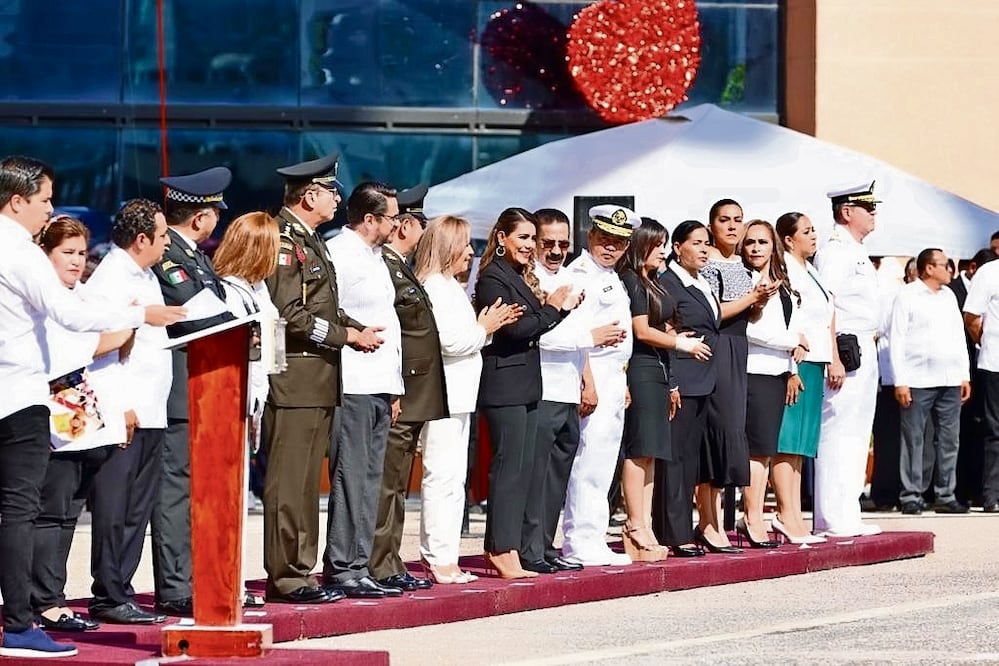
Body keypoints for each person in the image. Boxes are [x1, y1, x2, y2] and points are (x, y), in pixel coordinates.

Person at [0, 155, 178, 658]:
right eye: (44, 201)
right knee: (20, 510)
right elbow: (68, 310)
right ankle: (18, 624)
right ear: (17, 202)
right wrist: (140, 312)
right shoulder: (18, 250)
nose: (49, 210)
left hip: (13, 390)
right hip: (20, 395)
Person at [262, 154, 378, 604]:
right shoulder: (283, 241)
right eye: (331, 191)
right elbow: (291, 314)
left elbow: (323, 307)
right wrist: (345, 335)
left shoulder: (309, 240)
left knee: (306, 484)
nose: (337, 198)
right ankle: (287, 575)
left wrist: (354, 329)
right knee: (289, 484)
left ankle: (300, 571)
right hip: (295, 380)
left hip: (317, 380)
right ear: (310, 195)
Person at [83, 199, 186, 624]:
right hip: (126, 412)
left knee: (136, 509)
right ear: (141, 238)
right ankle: (108, 593)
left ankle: (120, 588)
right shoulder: (111, 275)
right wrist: (120, 407)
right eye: (162, 236)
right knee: (115, 508)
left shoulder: (143, 272)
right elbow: (100, 341)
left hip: (151, 409)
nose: (166, 243)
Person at [30, 217, 134, 633]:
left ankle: (53, 597)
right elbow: (76, 347)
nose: (76, 262)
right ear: (46, 255)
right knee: (49, 512)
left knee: (68, 513)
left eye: (80, 253)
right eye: (66, 253)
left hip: (82, 420)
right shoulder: (44, 298)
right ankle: (44, 601)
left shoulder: (83, 295)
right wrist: (125, 328)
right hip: (50, 415)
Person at [149, 166, 235, 617]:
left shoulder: (196, 257)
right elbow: (197, 312)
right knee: (175, 491)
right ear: (201, 217)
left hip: (207, 389)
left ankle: (197, 579)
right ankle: (176, 586)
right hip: (181, 389)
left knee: (197, 489)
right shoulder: (170, 258)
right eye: (214, 213)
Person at [415, 215, 520, 583]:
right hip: (445, 394)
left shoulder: (449, 286)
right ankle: (438, 556)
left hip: (459, 395)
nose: (471, 253)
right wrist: (485, 327)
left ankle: (444, 554)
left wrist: (481, 328)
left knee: (452, 476)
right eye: (463, 245)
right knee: (442, 476)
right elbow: (451, 341)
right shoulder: (435, 287)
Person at [475, 207, 578, 578]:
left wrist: (557, 312)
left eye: (532, 238)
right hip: (504, 384)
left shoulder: (517, 276)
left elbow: (531, 325)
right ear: (501, 238)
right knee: (508, 469)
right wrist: (553, 309)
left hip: (527, 384)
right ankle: (500, 548)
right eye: (523, 237)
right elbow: (514, 331)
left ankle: (511, 546)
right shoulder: (492, 279)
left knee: (522, 469)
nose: (529, 245)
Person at [523, 208, 622, 573]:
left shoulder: (568, 277)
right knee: (536, 473)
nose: (555, 250)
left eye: (563, 243)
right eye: (547, 243)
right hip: (542, 386)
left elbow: (578, 343)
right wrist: (590, 338)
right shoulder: (529, 278)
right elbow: (543, 334)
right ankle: (529, 548)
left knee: (557, 473)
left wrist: (588, 381)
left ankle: (546, 545)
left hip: (568, 387)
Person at [322, 181, 403, 600]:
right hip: (352, 379)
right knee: (351, 476)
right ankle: (341, 566)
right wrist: (353, 333)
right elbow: (329, 309)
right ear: (369, 219)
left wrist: (395, 387)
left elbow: (388, 317)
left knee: (371, 477)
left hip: (378, 381)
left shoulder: (377, 256)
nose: (397, 224)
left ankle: (359, 562)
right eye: (390, 217)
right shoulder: (339, 253)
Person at [368, 183, 446, 593]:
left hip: (410, 392)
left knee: (396, 483)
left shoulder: (400, 268)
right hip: (401, 390)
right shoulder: (386, 267)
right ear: (405, 226)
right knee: (388, 482)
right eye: (422, 224)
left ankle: (389, 559)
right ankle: (380, 562)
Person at [617, 219, 705, 561]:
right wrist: (682, 345)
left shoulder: (651, 281)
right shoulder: (630, 281)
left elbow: (663, 325)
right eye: (657, 245)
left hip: (660, 370)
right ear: (641, 247)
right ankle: (634, 524)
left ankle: (646, 523)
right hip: (640, 368)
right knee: (639, 449)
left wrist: (672, 381)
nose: (664, 251)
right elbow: (642, 330)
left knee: (652, 451)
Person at [560, 205, 639, 567]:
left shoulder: (609, 274)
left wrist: (620, 379)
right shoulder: (580, 274)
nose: (611, 248)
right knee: (588, 460)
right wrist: (588, 382)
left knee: (604, 460)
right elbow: (580, 333)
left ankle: (593, 534)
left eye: (619, 243)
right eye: (605, 240)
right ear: (590, 235)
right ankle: (580, 539)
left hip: (613, 373)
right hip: (593, 370)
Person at [212, 210, 281, 607]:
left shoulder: (259, 289)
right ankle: (224, 583)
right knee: (228, 499)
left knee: (240, 499)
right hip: (234, 398)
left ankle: (233, 581)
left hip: (256, 396)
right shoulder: (230, 292)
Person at [697, 199, 771, 553]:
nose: (732, 226)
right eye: (724, 220)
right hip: (718, 347)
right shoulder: (708, 264)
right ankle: (708, 521)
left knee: (732, 431)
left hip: (738, 347)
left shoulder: (740, 265)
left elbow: (747, 316)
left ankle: (718, 519)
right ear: (711, 225)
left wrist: (760, 302)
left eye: (737, 220)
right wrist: (752, 297)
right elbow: (714, 311)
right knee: (718, 432)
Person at [813, 181, 884, 537]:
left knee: (857, 432)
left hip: (866, 347)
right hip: (845, 348)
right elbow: (826, 306)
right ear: (846, 212)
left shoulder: (856, 251)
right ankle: (830, 515)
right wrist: (832, 357)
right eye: (867, 207)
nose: (874, 213)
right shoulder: (835, 252)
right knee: (837, 430)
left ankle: (848, 509)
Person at [653, 220, 718, 557]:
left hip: (704, 381)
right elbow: (666, 332)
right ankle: (672, 532)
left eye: (707, 243)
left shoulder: (702, 280)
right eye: (696, 243)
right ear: (677, 247)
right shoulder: (669, 283)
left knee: (689, 459)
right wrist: (673, 382)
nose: (704, 249)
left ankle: (680, 527)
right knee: (674, 460)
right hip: (681, 379)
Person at [890, 248, 971, 515]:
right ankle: (911, 494)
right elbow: (898, 338)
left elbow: (958, 336)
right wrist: (900, 380)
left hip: (949, 379)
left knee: (949, 439)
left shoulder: (948, 296)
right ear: (928, 268)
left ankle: (945, 494)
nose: (949, 270)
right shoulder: (908, 295)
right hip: (917, 379)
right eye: (944, 265)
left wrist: (964, 374)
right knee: (914, 439)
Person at [738, 220, 799, 548]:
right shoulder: (741, 280)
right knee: (756, 450)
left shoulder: (782, 283)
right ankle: (752, 517)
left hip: (777, 372)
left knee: (765, 451)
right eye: (750, 242)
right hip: (752, 371)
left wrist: (791, 367)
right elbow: (746, 330)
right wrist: (790, 341)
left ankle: (754, 514)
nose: (756, 248)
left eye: (763, 242)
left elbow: (788, 324)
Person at [772, 212, 832, 544]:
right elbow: (789, 318)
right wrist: (792, 367)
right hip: (797, 359)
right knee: (787, 439)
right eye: (806, 231)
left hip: (817, 359)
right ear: (789, 239)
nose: (813, 235)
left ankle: (795, 514)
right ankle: (785, 513)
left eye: (814, 229)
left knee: (802, 444)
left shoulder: (811, 270)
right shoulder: (786, 271)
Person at [952, 248, 995, 506]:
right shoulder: (989, 272)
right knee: (993, 430)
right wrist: (986, 342)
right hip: (994, 363)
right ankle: (991, 494)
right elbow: (971, 318)